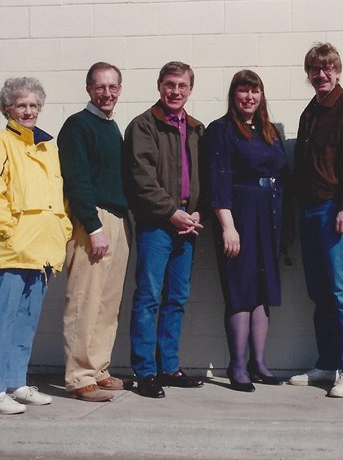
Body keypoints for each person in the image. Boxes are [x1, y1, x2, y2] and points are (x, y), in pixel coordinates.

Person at [0, 77, 72, 414]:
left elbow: (58, 197)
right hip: (8, 249)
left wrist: (62, 228)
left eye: (34, 106)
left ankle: (15, 383)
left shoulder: (47, 147)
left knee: (26, 320)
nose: (29, 111)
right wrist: (8, 230)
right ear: (7, 109)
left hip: (41, 251)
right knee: (0, 320)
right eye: (21, 105)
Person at [289, 42, 343, 398]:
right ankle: (328, 362)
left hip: (335, 209)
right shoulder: (309, 112)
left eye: (327, 68)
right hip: (309, 211)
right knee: (319, 291)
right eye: (314, 69)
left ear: (337, 70)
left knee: (341, 289)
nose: (321, 74)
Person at [123, 61, 206, 398]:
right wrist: (172, 212)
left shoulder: (197, 128)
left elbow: (205, 177)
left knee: (177, 298)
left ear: (190, 89)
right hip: (157, 224)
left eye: (182, 86)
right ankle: (145, 371)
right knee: (148, 297)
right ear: (159, 86)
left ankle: (169, 367)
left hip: (188, 225)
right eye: (170, 85)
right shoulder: (143, 126)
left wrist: (196, 211)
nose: (175, 91)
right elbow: (140, 180)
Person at [207, 70, 287, 392]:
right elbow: (218, 180)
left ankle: (259, 363)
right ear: (234, 95)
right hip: (239, 216)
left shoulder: (270, 131)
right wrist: (228, 226)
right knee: (240, 290)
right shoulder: (221, 130)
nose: (249, 98)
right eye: (243, 92)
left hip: (268, 216)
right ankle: (237, 366)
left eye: (254, 92)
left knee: (262, 290)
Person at [58, 62, 131, 402]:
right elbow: (77, 180)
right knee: (85, 301)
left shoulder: (110, 126)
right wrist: (94, 226)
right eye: (101, 87)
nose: (107, 93)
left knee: (107, 302)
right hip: (93, 221)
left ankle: (98, 368)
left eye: (113, 87)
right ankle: (79, 376)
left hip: (117, 219)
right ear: (89, 89)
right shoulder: (77, 125)